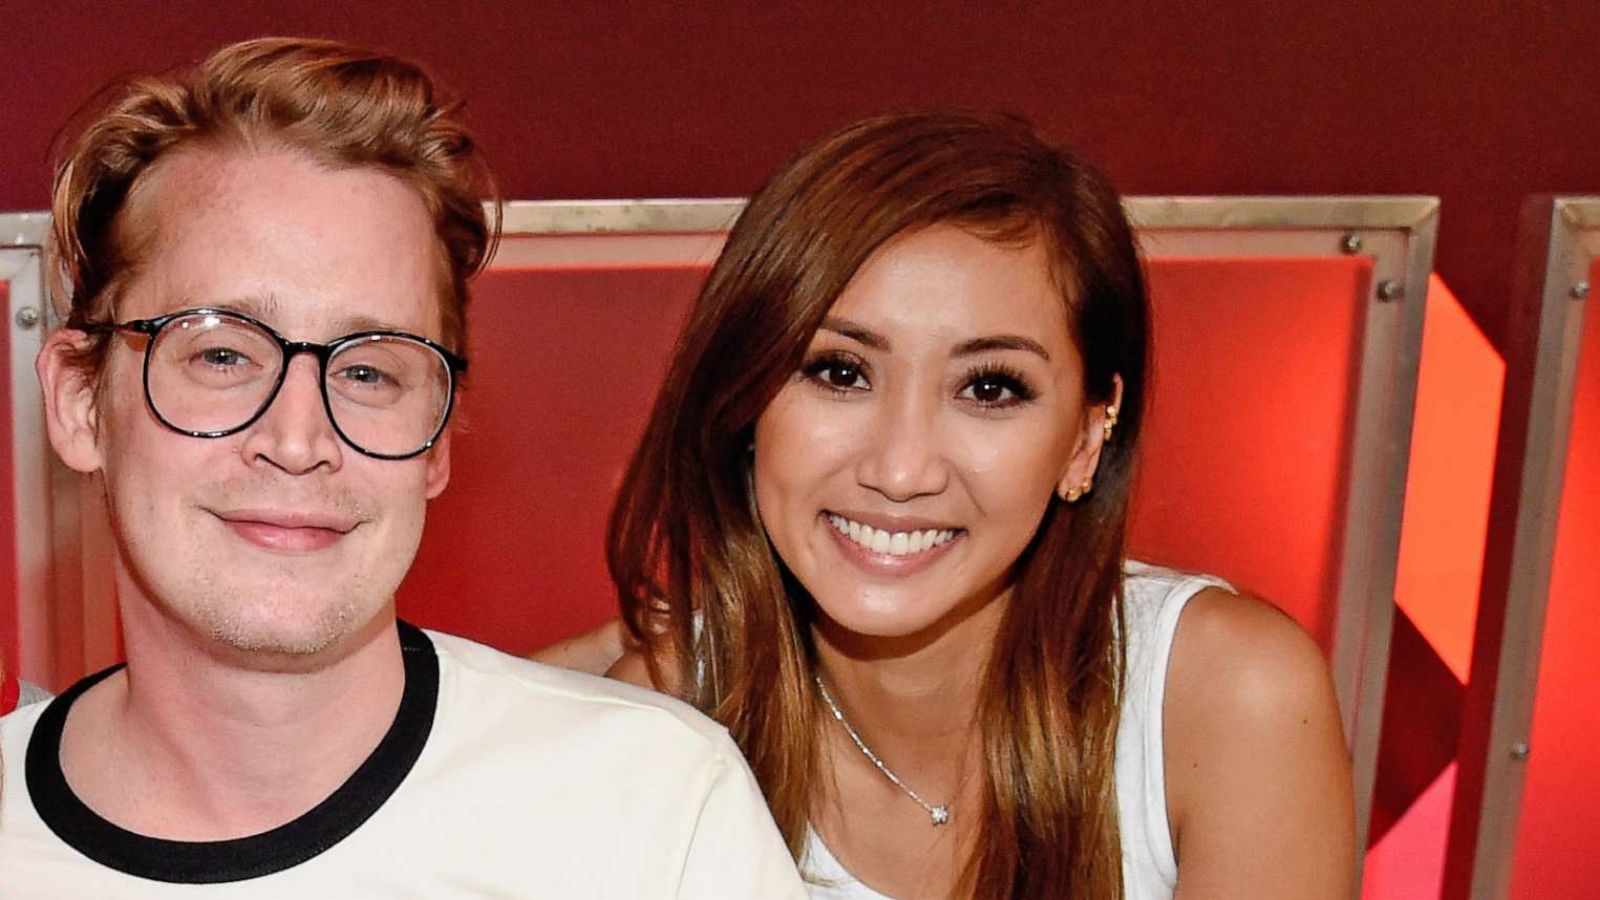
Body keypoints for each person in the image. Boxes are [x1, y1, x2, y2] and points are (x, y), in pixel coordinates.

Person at [0, 37, 805, 898]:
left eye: (368, 370)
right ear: (82, 405)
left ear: (439, 437)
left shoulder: (655, 810)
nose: (299, 439)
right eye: (222, 355)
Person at [598, 112, 1356, 898]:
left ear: (1088, 435)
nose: (900, 470)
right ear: (744, 399)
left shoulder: (1222, 700)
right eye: (840, 372)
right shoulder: (662, 719)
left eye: (990, 387)